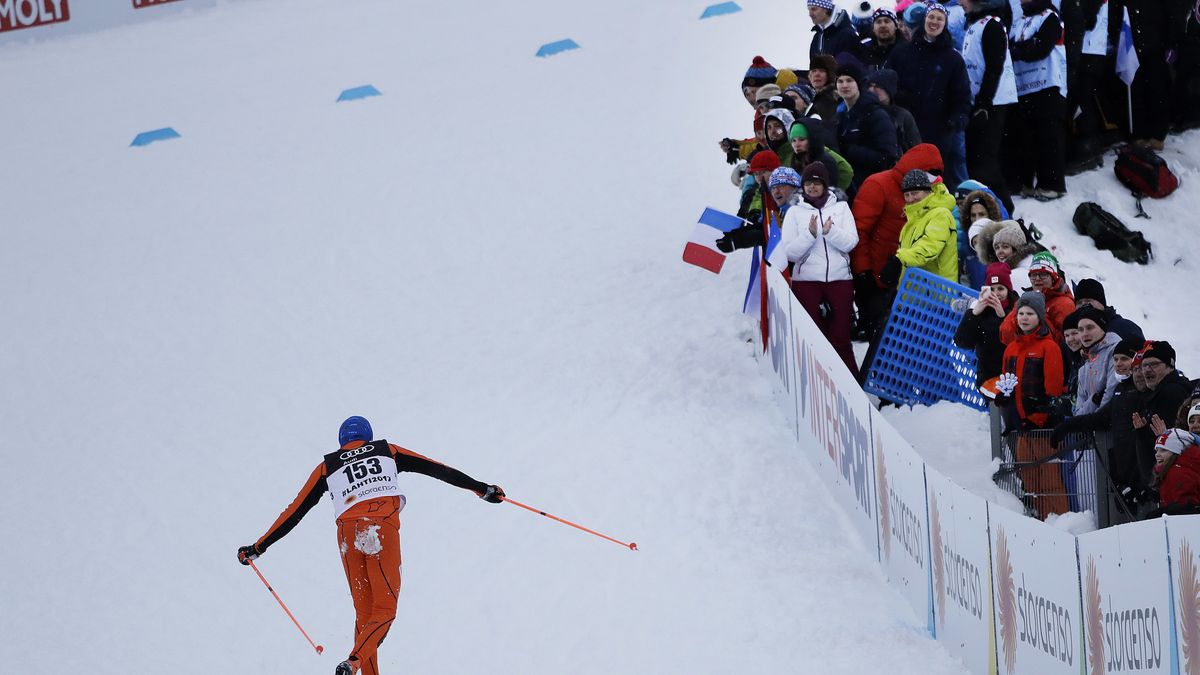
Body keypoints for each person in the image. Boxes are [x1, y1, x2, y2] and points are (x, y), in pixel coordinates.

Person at [237, 416, 505, 675]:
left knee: (366, 620)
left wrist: (258, 547)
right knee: (385, 612)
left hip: (347, 537)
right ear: (368, 437)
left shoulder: (326, 467)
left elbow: (294, 511)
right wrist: (482, 489)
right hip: (380, 529)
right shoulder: (386, 451)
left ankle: (359, 668)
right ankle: (352, 663)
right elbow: (436, 468)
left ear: (342, 441)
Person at [850, 143, 944, 346]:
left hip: (907, 281)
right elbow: (860, 231)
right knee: (882, 341)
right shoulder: (878, 185)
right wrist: (863, 271)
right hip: (876, 278)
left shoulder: (931, 192)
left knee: (907, 343)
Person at [783, 162, 861, 375]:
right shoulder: (794, 212)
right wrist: (809, 234)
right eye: (808, 183)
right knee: (813, 337)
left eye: (816, 183)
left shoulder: (841, 208)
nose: (812, 187)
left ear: (825, 184)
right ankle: (817, 381)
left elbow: (851, 242)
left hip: (840, 279)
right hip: (806, 281)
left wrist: (830, 232)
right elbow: (789, 252)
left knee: (840, 337)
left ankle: (853, 385)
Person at [884, 2, 973, 189]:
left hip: (939, 131)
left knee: (937, 182)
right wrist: (898, 99)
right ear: (924, 19)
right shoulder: (902, 52)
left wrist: (956, 120)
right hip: (905, 127)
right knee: (905, 179)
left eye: (939, 18)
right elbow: (886, 83)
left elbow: (962, 96)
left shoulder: (953, 58)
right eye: (931, 17)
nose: (934, 22)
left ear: (945, 23)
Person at [997, 291, 1068, 518]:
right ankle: (1037, 520)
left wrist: (1037, 418)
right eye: (1020, 313)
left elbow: (1053, 389)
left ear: (1040, 317)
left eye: (1030, 313)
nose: (1024, 317)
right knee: (1028, 480)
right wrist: (1003, 398)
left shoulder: (1049, 347)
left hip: (1041, 429)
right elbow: (1007, 383)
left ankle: (1058, 522)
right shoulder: (1011, 348)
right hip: (1019, 428)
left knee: (1049, 481)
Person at [960, 0, 1018, 213]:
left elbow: (995, 66)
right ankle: (991, 208)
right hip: (978, 102)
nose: (959, 3)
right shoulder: (974, 25)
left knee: (984, 161)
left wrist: (984, 103)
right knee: (977, 160)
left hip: (991, 103)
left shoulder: (992, 24)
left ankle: (1004, 209)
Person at [1008, 0, 1069, 200]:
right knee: (1024, 136)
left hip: (1048, 83)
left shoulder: (1049, 16)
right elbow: (1010, 48)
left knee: (1048, 136)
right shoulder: (1019, 22)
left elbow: (1039, 48)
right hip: (1023, 86)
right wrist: (1021, 48)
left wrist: (1020, 49)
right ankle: (1024, 181)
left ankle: (1052, 183)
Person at [879, 169, 959, 286]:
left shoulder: (940, 214)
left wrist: (899, 258)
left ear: (928, 191)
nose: (911, 199)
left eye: (915, 193)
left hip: (938, 294)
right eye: (907, 195)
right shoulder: (910, 223)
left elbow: (929, 247)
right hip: (915, 294)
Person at [834, 61, 901, 191]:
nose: (844, 85)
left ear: (858, 84)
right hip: (849, 186)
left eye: (849, 80)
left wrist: (849, 150)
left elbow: (887, 157)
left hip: (872, 185)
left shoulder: (876, 114)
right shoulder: (839, 116)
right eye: (840, 81)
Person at [954, 261, 1016, 387]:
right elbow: (962, 342)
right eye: (992, 289)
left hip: (1013, 374)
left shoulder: (1017, 308)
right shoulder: (981, 312)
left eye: (1001, 288)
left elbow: (1018, 341)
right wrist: (974, 314)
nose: (996, 293)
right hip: (988, 377)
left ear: (1008, 290)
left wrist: (1002, 316)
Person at [999, 250, 1074, 342]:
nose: (1037, 279)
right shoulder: (1024, 301)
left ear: (1053, 278)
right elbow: (1005, 337)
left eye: (1043, 274)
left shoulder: (1064, 304)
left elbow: (1067, 343)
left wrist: (1041, 315)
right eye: (1033, 275)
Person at [1070, 304, 1122, 415]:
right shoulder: (1083, 367)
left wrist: (1094, 419)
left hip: (1109, 427)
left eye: (1090, 327)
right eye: (1080, 330)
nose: (1084, 334)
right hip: (1089, 428)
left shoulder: (1116, 351)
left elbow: (1111, 393)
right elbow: (1078, 411)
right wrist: (1093, 402)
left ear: (1102, 328)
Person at [865, 68, 923, 152]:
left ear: (889, 90)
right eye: (870, 85)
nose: (872, 90)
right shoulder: (863, 112)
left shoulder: (903, 115)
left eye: (878, 86)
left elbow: (916, 148)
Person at [1072, 278, 1145, 343]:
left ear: (1101, 303)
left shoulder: (1126, 329)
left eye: (1088, 301)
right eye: (1079, 303)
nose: (1083, 305)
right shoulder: (1073, 333)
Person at [788, 118, 852, 191]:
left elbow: (828, 192)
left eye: (802, 139)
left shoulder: (825, 162)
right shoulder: (796, 160)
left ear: (812, 139)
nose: (797, 145)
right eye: (793, 140)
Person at [1148, 429, 1200, 516]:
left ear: (1177, 451)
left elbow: (1186, 510)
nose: (1157, 454)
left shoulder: (1178, 472)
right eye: (1157, 450)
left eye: (1163, 450)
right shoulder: (1169, 471)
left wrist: (1161, 513)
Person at [805, 54, 844, 145]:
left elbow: (830, 130)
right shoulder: (818, 98)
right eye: (813, 71)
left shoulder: (829, 98)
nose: (817, 74)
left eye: (822, 71)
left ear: (830, 74)